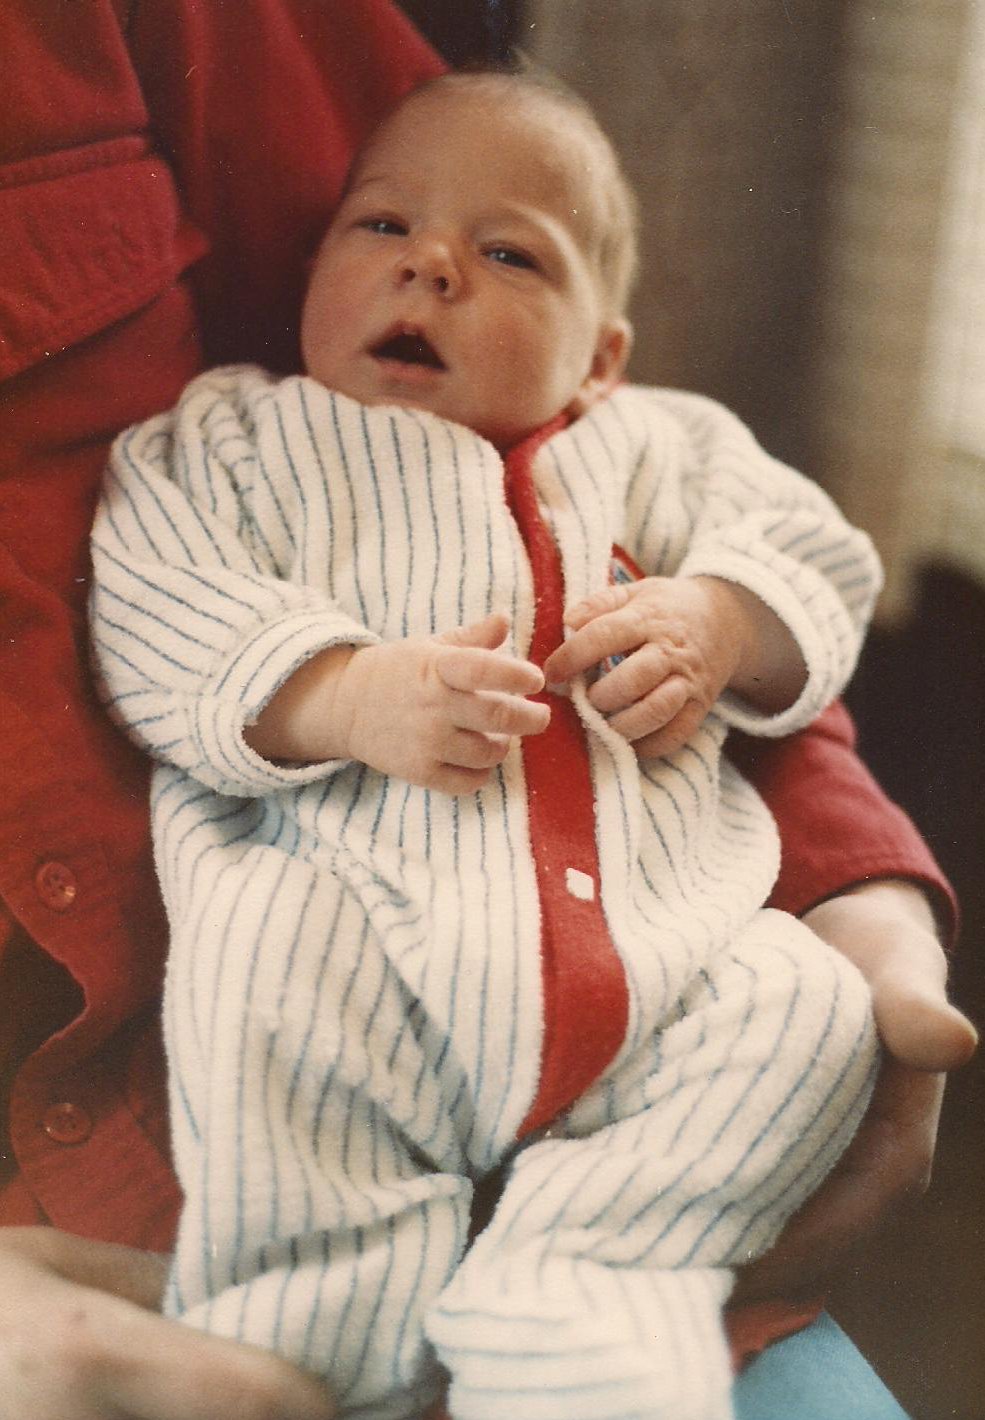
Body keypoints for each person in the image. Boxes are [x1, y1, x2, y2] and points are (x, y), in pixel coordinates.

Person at [0, 4, 974, 1419]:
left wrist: (721, 624)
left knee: (805, 1010)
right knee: (266, 966)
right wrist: (336, 693)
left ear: (598, 359)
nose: (432, 263)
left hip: (657, 952)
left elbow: (809, 555)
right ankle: (322, 1314)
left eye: (507, 255)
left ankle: (587, 1283)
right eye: (378, 232)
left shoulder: (657, 447)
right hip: (353, 928)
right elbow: (159, 605)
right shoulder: (239, 439)